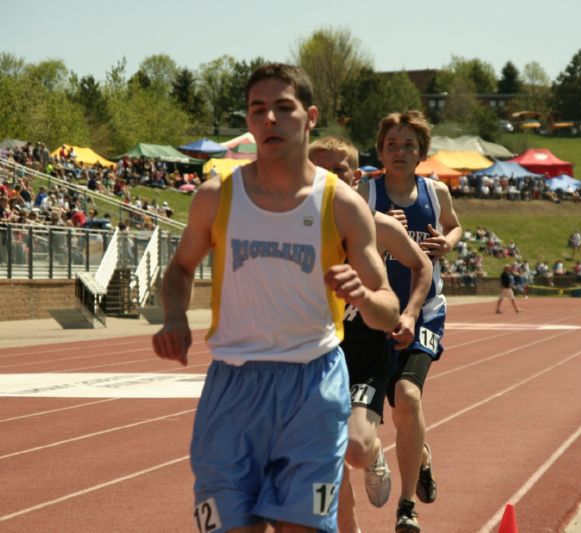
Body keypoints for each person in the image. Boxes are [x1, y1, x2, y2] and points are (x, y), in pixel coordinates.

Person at [152, 63, 399, 533]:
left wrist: (364, 296)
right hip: (234, 388)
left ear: (309, 117)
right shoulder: (216, 197)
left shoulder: (342, 205)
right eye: (257, 109)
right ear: (247, 121)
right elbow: (181, 269)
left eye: (283, 109)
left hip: (312, 386)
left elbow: (387, 309)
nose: (269, 120)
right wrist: (173, 318)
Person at [309, 136, 433, 533]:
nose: (328, 176)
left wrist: (411, 313)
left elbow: (422, 265)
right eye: (319, 169)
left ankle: (376, 450)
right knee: (327, 457)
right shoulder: (297, 228)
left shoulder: (375, 223)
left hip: (364, 351)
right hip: (316, 354)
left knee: (357, 449)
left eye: (337, 169)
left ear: (356, 175)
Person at [359, 110, 462, 533]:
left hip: (424, 311)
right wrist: (380, 229)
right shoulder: (365, 191)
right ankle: (419, 454)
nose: (399, 152)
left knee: (408, 396)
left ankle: (405, 507)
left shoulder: (435, 193)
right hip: (375, 315)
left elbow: (455, 227)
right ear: (380, 151)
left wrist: (447, 242)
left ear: (422, 152)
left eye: (408, 146)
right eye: (391, 145)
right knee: (397, 414)